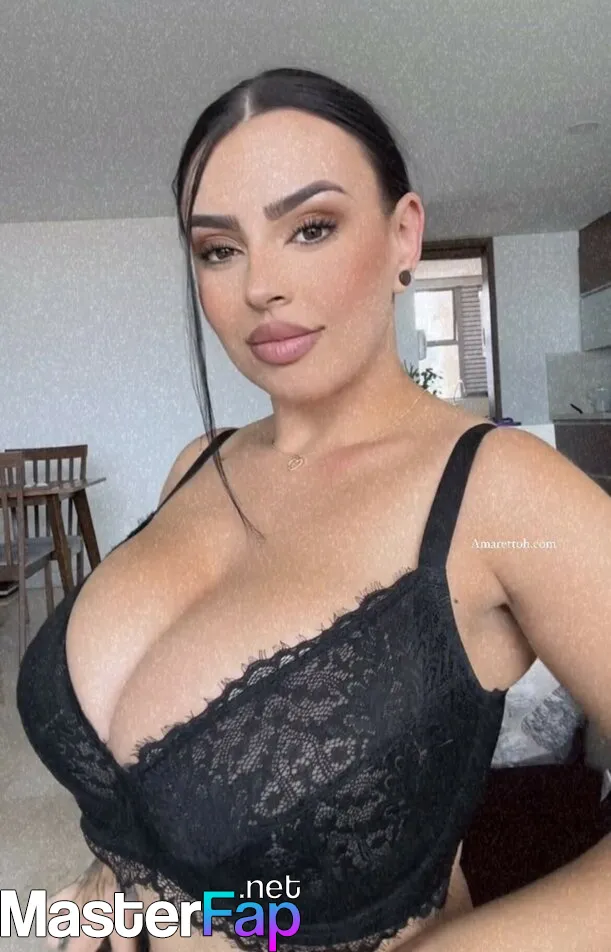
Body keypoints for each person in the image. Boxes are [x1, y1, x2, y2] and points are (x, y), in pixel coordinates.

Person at [17, 68, 611, 952]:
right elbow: (137, 779)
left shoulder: (501, 491)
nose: (260, 284)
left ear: (403, 234)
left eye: (311, 228)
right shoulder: (198, 465)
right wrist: (113, 878)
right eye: (218, 248)